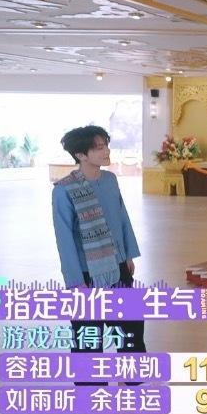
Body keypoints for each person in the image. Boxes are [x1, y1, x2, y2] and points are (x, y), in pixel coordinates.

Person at [53, 126, 144, 385]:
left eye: (106, 145)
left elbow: (122, 218)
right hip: (86, 273)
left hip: (118, 265)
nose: (106, 151)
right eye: (99, 147)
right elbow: (64, 238)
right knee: (88, 333)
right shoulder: (64, 190)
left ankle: (132, 379)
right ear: (81, 155)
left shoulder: (110, 180)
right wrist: (75, 281)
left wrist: (128, 255)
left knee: (130, 325)